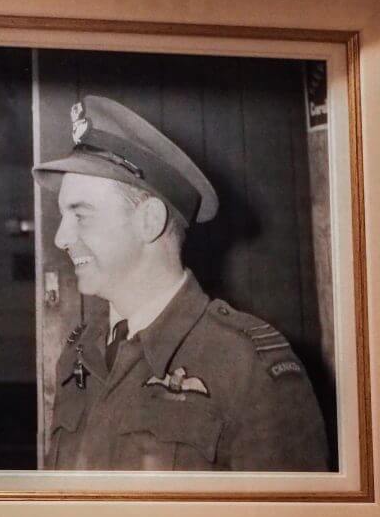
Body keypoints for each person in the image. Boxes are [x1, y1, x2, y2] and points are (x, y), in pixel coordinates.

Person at [33, 96, 328, 471]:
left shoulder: (245, 364)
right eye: (63, 216)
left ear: (149, 221)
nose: (61, 237)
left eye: (81, 215)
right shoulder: (79, 353)